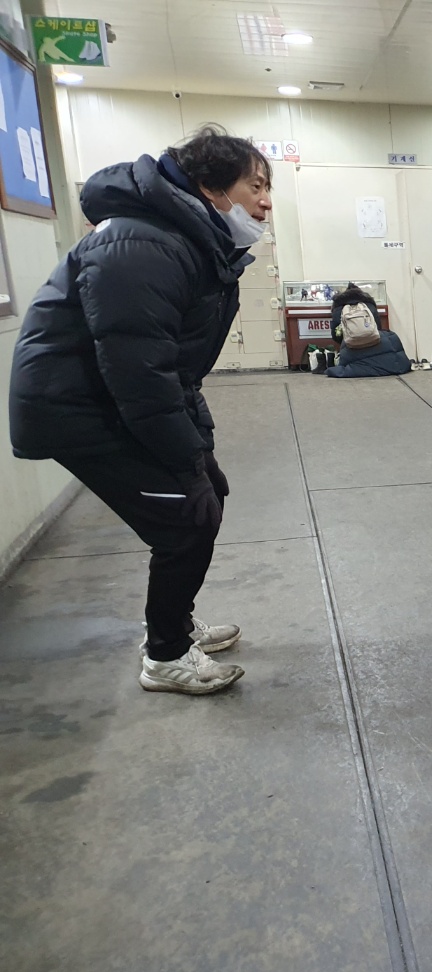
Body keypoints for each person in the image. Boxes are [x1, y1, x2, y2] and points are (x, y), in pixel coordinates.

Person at [8, 126, 272, 694]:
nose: (266, 201)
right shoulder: (144, 244)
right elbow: (138, 374)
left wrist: (198, 449)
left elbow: (175, 367)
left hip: (109, 400)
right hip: (78, 409)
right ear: (210, 187)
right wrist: (183, 460)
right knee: (185, 519)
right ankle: (166, 655)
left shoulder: (187, 242)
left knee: (208, 495)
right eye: (256, 185)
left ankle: (174, 625)